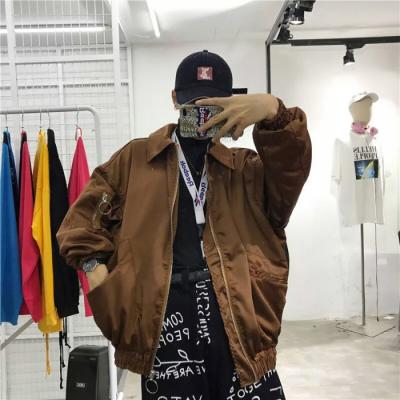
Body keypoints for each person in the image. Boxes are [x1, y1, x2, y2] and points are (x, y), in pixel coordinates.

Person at [57, 50, 312, 399]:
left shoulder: (245, 167)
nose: (202, 114)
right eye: (193, 104)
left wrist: (273, 111)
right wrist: (95, 272)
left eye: (213, 105)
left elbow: (291, 171)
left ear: (232, 104)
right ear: (175, 99)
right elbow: (80, 222)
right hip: (164, 313)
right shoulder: (136, 160)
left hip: (238, 312)